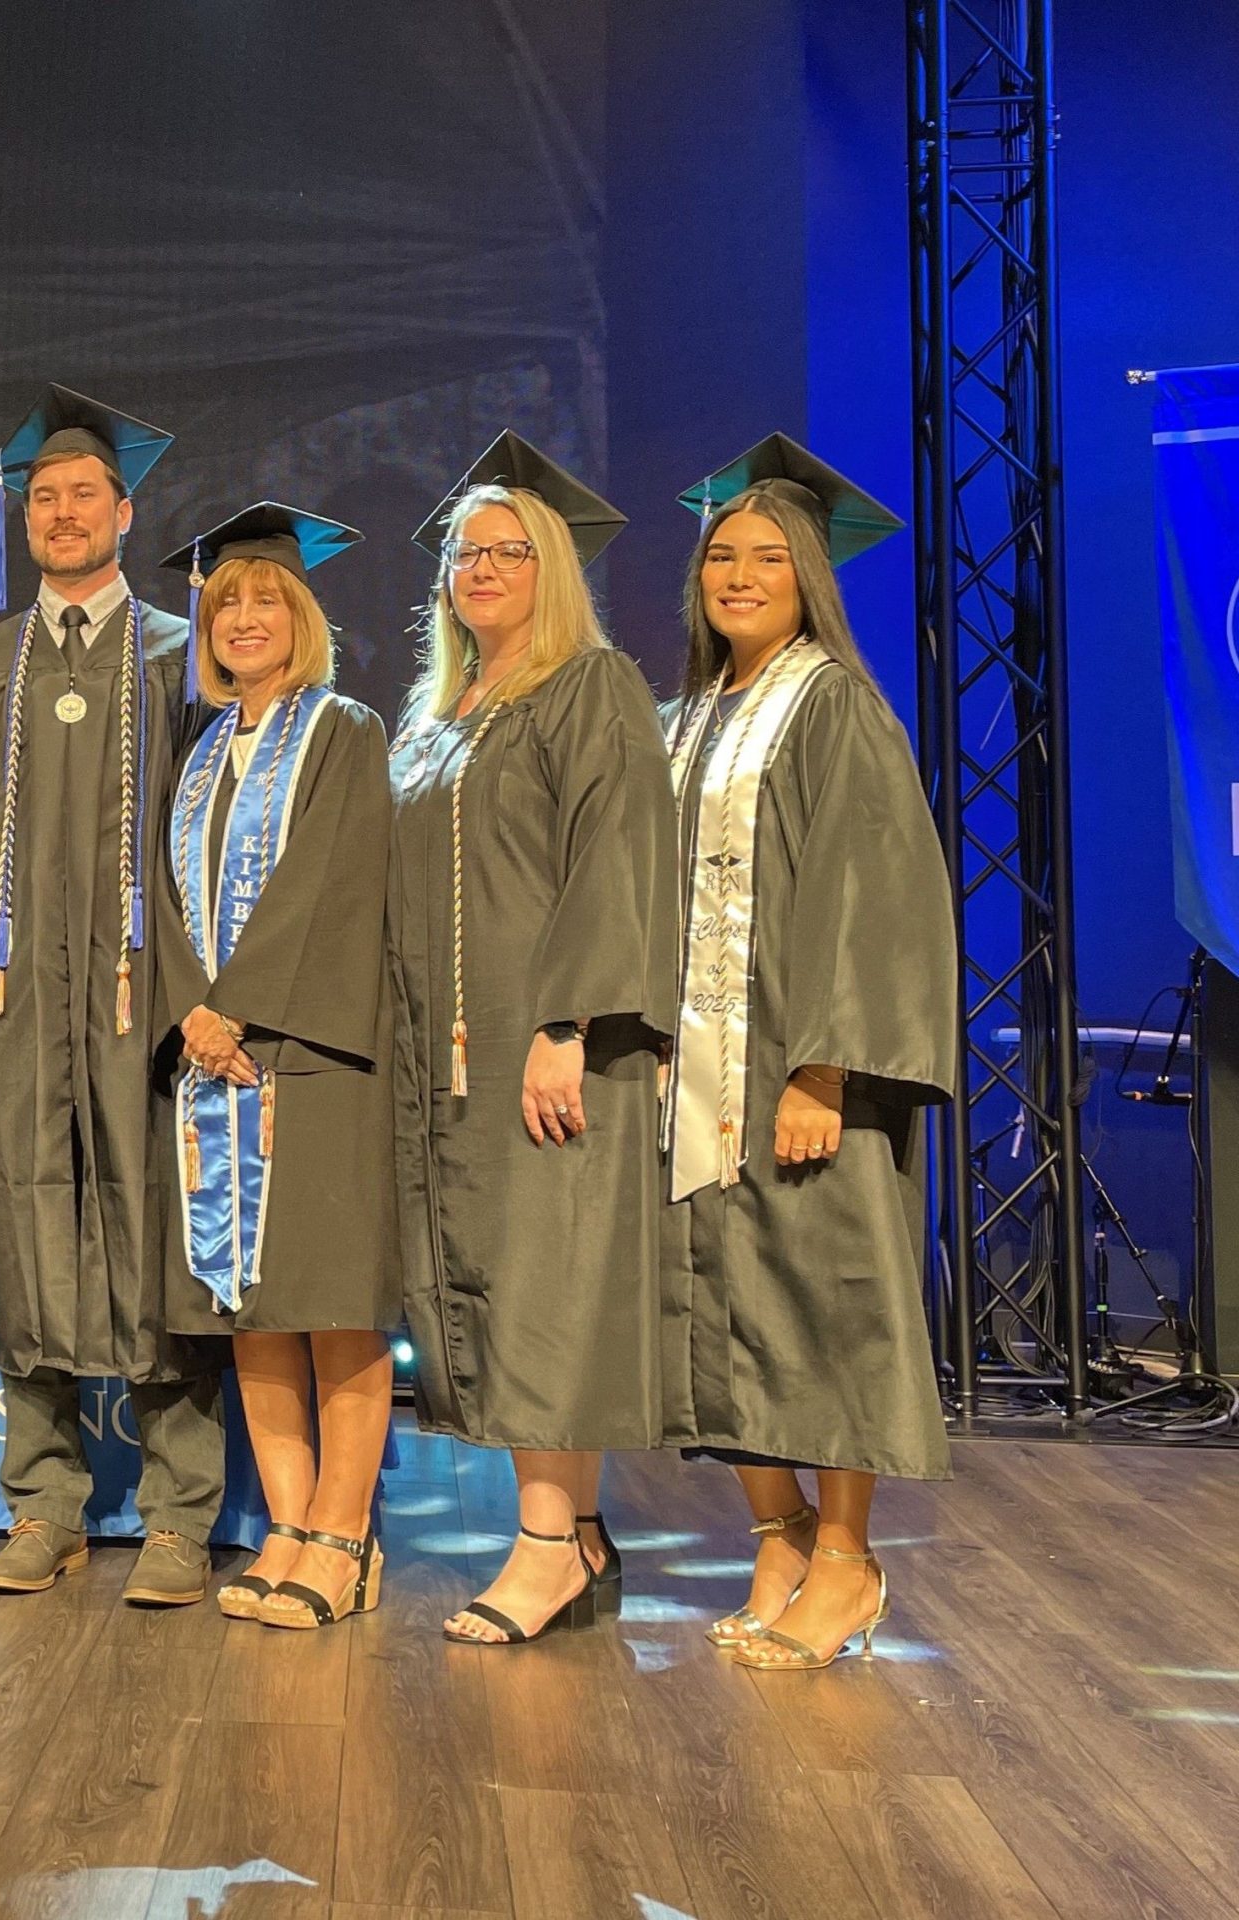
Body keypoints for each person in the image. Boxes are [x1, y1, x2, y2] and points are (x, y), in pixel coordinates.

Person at [659, 435, 956, 1670]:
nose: (737, 575)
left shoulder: (832, 705)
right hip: (703, 1072)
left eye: (765, 558)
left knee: (828, 1309)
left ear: (809, 578)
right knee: (735, 1310)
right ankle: (774, 1535)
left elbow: (877, 895)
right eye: (720, 556)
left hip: (801, 1068)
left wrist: (824, 1067)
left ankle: (845, 1559)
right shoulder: (688, 714)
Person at [387, 434, 679, 1646]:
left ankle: (546, 1549)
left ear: (551, 568)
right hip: (442, 1053)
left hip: (538, 1040)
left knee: (548, 1289)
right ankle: (581, 1536)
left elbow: (615, 862)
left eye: (510, 550)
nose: (482, 568)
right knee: (494, 1289)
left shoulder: (587, 689)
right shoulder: (435, 715)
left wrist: (567, 1022)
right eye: (465, 551)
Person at [0, 385, 223, 1608]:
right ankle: (44, 1502)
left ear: (124, 508)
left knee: (155, 1240)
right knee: (24, 1229)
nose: (60, 513)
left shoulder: (182, 650)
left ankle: (175, 1516)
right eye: (39, 498)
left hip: (143, 1009)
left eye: (81, 495)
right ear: (21, 517)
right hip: (13, 1008)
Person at [149, 504, 399, 1631]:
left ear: (302, 616)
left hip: (312, 1054)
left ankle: (343, 1539)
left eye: (265, 600)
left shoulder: (343, 730)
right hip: (216, 1061)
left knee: (335, 1305)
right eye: (224, 604)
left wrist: (235, 1008)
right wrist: (192, 1018)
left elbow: (331, 881)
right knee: (250, 1305)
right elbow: (160, 907)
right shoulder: (200, 753)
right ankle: (287, 1527)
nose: (244, 619)